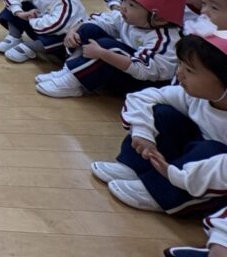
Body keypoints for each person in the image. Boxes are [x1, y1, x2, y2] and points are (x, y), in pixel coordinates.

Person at [96, 32, 227, 214]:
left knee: (211, 150)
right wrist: (143, 134)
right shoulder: (197, 96)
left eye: (189, 70)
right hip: (185, 166)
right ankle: (135, 167)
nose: (179, 73)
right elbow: (141, 98)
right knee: (163, 114)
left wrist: (175, 175)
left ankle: (161, 192)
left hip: (213, 182)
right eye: (180, 64)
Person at [36, 0, 185, 98]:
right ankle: (70, 71)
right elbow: (98, 20)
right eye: (124, 1)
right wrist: (73, 31)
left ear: (158, 18)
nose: (123, 7)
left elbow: (144, 71)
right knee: (88, 29)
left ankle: (74, 81)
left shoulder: (163, 40)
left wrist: (103, 54)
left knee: (108, 46)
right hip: (125, 69)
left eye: (131, 5)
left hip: (141, 85)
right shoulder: (130, 19)